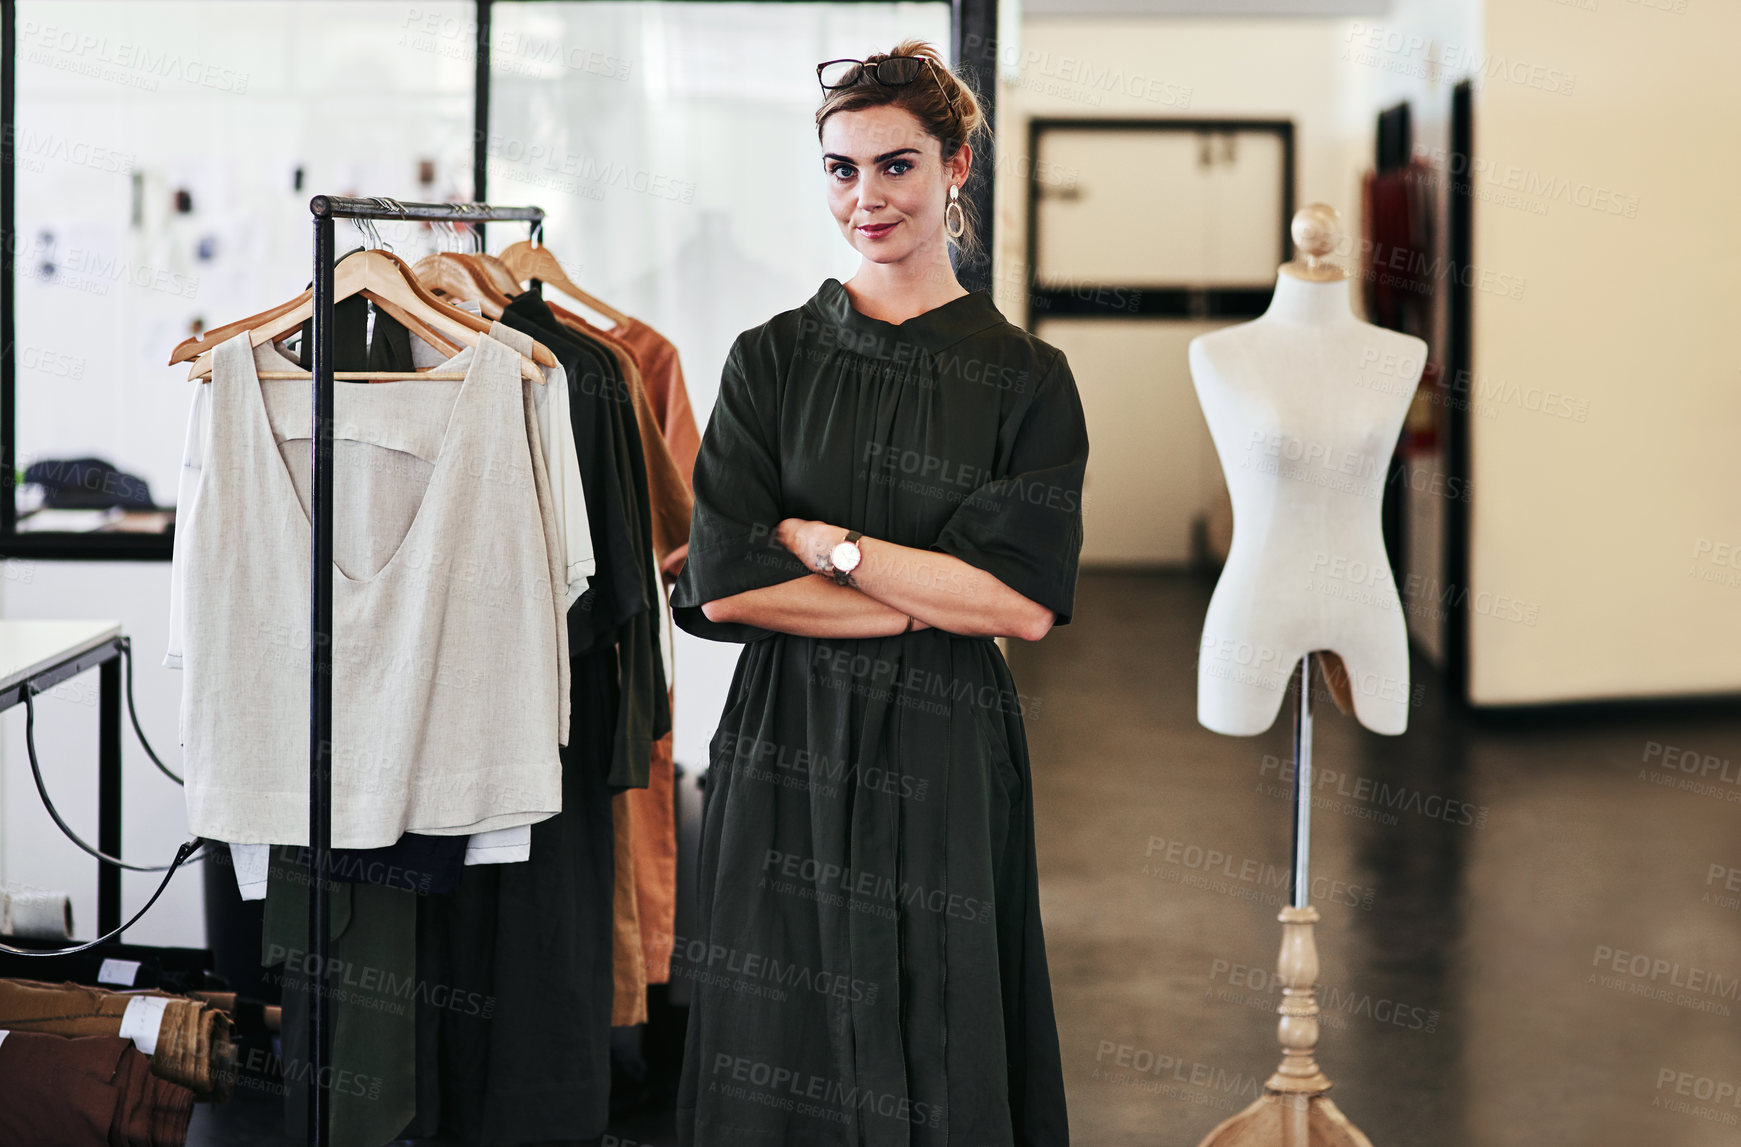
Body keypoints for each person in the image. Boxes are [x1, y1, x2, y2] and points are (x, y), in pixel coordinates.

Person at [669, 37, 1087, 1146]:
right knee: (779, 1022)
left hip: (947, 741)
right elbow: (723, 586)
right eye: (842, 170)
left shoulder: (1026, 380)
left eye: (895, 165)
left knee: (944, 1006)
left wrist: (828, 546)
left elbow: (1023, 604)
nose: (867, 197)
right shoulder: (768, 360)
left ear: (956, 168)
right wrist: (924, 595)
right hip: (788, 735)